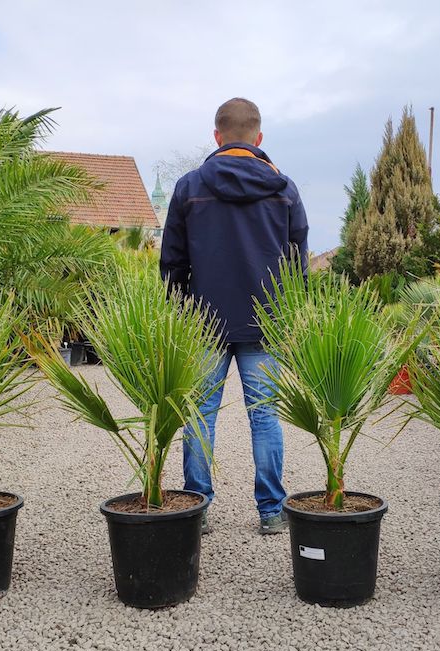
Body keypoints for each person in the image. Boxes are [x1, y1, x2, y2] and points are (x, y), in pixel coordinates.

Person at [160, 97, 309, 535]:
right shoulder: (284, 189)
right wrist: (284, 314)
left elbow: (172, 261)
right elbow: (297, 265)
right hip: (264, 323)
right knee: (265, 416)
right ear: (258, 138)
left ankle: (198, 507)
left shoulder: (190, 187)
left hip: (204, 321)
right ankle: (270, 511)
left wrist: (183, 311)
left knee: (200, 415)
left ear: (217, 136)